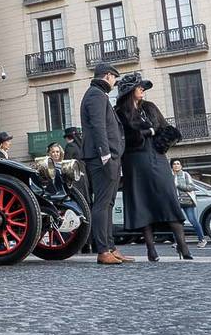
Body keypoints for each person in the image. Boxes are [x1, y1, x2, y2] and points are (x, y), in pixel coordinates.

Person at [114, 73, 191, 262]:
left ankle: (183, 246)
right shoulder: (120, 113)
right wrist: (149, 131)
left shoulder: (149, 107)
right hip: (134, 161)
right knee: (142, 204)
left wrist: (160, 137)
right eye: (139, 87)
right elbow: (126, 138)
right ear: (130, 91)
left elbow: (164, 128)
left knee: (168, 198)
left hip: (157, 157)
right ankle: (151, 249)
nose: (142, 89)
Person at [80, 63, 127, 265]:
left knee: (108, 203)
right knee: (102, 203)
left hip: (108, 156)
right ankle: (103, 250)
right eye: (114, 77)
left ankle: (110, 247)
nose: (115, 82)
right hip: (102, 158)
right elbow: (98, 126)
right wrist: (105, 155)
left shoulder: (99, 95)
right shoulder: (95, 95)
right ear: (107, 76)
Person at [171, 159, 209, 249]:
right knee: (176, 222)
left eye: (178, 164)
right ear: (172, 166)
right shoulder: (170, 176)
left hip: (187, 201)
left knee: (193, 220)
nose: (176, 165)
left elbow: (191, 187)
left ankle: (202, 239)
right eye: (174, 164)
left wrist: (178, 185)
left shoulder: (185, 175)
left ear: (181, 166)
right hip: (175, 202)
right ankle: (177, 242)